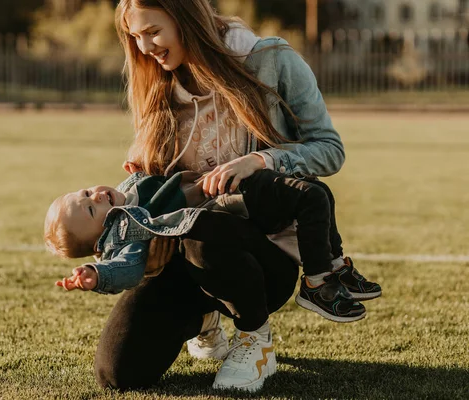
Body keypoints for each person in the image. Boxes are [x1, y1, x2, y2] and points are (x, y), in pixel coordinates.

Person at [84, 0, 364, 392]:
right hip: (183, 255)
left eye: (152, 32)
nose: (145, 47)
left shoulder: (271, 59)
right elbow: (153, 185)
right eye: (135, 37)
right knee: (119, 373)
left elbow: (329, 149)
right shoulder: (158, 83)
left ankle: (255, 337)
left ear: (185, 18)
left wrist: (261, 160)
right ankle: (204, 318)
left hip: (261, 256)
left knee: (202, 230)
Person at [46, 169, 380, 323]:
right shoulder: (123, 233)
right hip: (220, 212)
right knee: (307, 196)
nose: (97, 195)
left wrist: (145, 170)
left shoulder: (125, 191)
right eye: (91, 209)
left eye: (86, 191)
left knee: (314, 191)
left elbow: (150, 180)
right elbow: (128, 267)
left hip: (222, 203)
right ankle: (317, 283)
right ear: (99, 238)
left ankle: (334, 267)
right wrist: (97, 273)